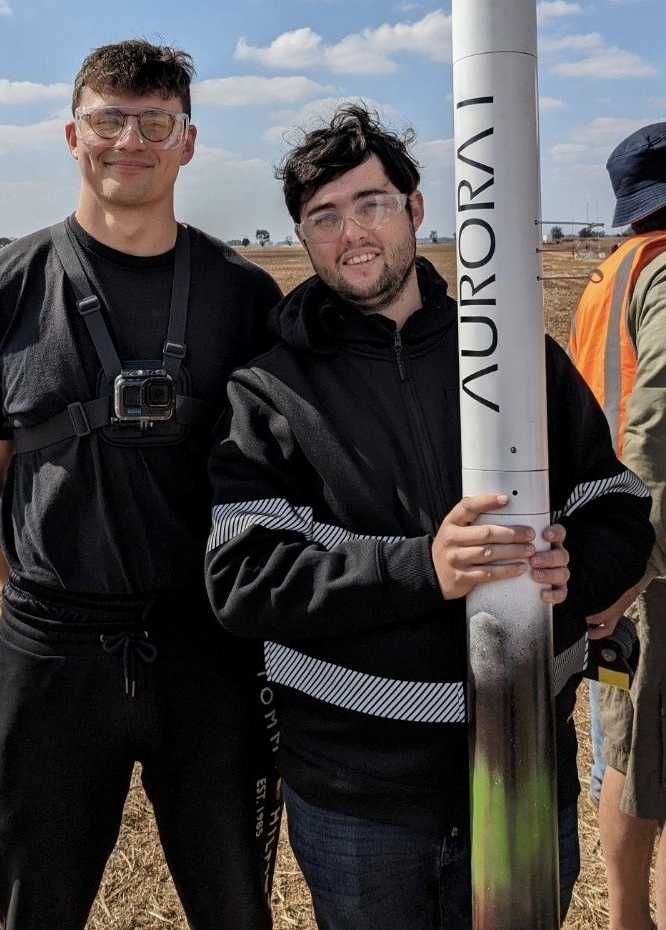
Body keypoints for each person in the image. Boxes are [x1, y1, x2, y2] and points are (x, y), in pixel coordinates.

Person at [204, 104, 655, 930]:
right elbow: (243, 576)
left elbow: (619, 505)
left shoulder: (520, 356)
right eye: (325, 217)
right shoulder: (270, 390)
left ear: (416, 208)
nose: (353, 234)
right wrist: (425, 567)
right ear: (303, 237)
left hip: (523, 775)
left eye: (371, 203)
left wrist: (573, 564)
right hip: (358, 801)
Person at [0, 39, 283, 930]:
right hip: (50, 658)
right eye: (109, 119)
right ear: (71, 135)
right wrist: (48, 602)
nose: (131, 140)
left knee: (236, 904)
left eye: (156, 121)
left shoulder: (246, 297)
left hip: (210, 651)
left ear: (188, 141)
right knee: (38, 905)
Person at [569, 122, 666, 930]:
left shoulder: (608, 276)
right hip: (653, 570)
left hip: (615, 557)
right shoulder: (665, 271)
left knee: (620, 755)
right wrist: (644, 555)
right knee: (648, 770)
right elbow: (656, 422)